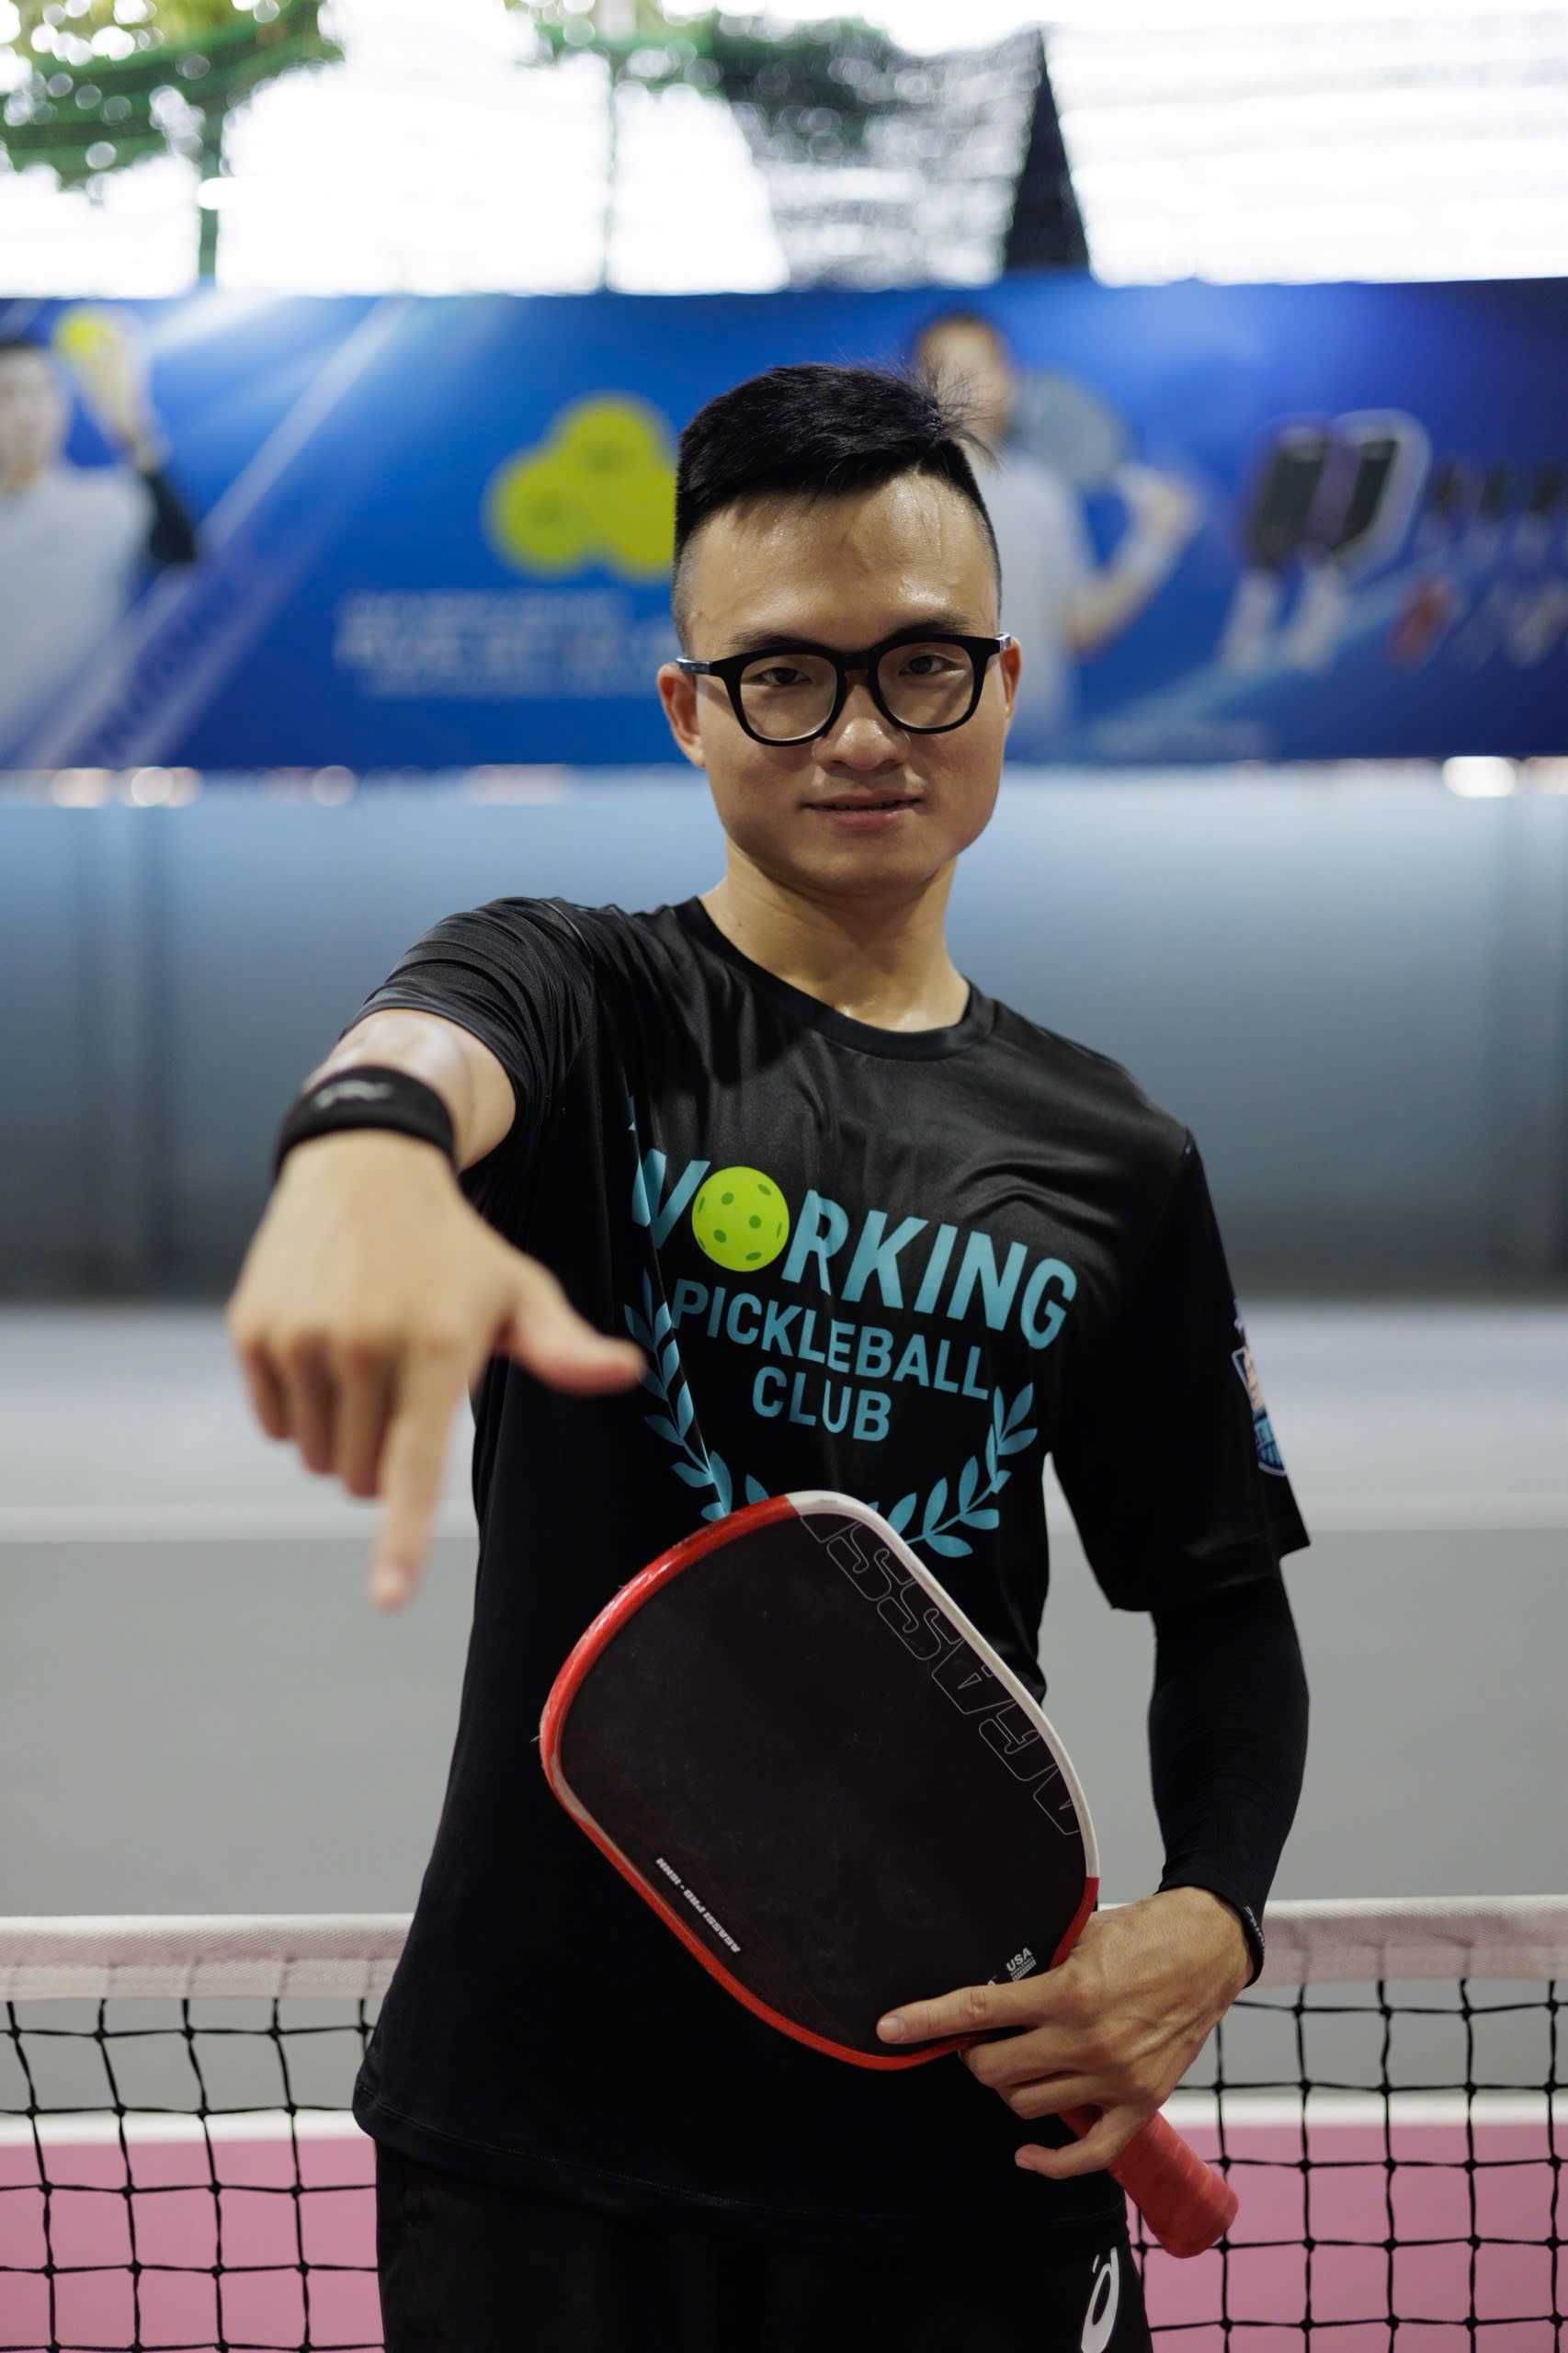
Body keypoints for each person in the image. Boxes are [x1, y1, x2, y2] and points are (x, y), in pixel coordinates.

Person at [227, 359, 1310, 2351]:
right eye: (785, 676)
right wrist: (362, 1149)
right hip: (538, 2144)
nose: (862, 732)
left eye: (921, 665)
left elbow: (1223, 1604)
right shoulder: (580, 996)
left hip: (959, 2154)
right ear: (689, 707)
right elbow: (428, 1044)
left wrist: (1210, 1911)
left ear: (1001, 681)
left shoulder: (1116, 1157)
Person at [912, 310, 1199, 757]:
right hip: (933, 751)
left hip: (1044, 752)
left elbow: (1079, 630)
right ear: (917, 387)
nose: (966, 383)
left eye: (981, 366)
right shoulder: (894, 497)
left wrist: (1152, 545)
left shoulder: (1043, 493)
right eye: (946, 369)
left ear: (1011, 381)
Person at [0, 322, 199, 757]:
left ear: (62, 405)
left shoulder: (110, 503)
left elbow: (184, 553)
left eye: (40, 393)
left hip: (85, 758)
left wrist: (132, 428)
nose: (27, 413)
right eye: (8, 395)